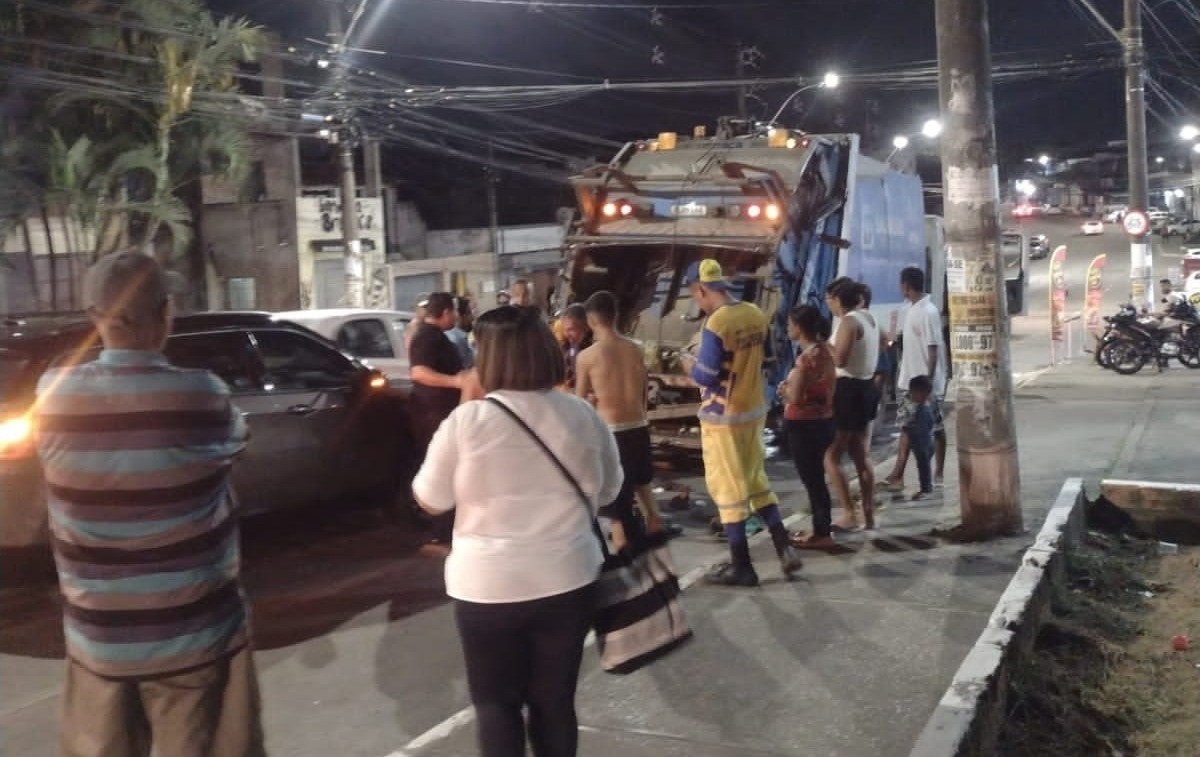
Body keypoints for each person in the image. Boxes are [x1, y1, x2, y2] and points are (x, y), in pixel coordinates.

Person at [34, 252, 264, 757]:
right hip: (196, 638)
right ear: (166, 313)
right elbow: (237, 444)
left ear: (95, 317)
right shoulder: (200, 394)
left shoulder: (51, 395)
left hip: (99, 642)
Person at [412, 304, 623, 757]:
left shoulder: (467, 421)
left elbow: (431, 498)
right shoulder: (583, 416)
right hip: (568, 578)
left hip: (487, 585)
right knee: (554, 703)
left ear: (489, 359)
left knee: (496, 706)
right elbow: (609, 491)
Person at [680, 259, 803, 586]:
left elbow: (706, 374)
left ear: (702, 289)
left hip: (723, 419)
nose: (698, 302)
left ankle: (742, 566)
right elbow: (766, 357)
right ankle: (784, 549)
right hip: (753, 411)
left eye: (696, 295)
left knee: (729, 490)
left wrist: (687, 363)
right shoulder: (754, 313)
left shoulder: (716, 324)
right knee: (756, 481)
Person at [575, 290, 666, 550]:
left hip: (611, 432)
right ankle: (654, 520)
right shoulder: (636, 349)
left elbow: (580, 401)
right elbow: (644, 391)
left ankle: (623, 551)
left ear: (591, 321)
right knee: (641, 482)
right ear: (615, 316)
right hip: (639, 425)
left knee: (614, 505)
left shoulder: (587, 357)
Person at [881, 266, 947, 492]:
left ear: (906, 285)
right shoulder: (909, 309)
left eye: (901, 284)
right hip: (907, 381)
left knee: (935, 428)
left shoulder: (928, 311)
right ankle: (897, 474)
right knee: (906, 427)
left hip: (925, 385)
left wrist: (927, 383)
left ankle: (937, 472)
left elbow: (933, 349)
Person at [408, 292, 468, 544]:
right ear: (445, 312)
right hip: (432, 415)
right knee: (444, 468)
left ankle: (446, 527)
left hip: (437, 413)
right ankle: (442, 529)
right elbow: (419, 372)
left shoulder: (434, 337)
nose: (456, 316)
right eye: (453, 311)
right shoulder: (427, 337)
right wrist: (455, 381)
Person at [778, 305, 838, 549]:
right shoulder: (825, 353)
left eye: (790, 324)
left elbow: (797, 398)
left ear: (800, 328)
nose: (788, 328)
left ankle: (822, 533)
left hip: (803, 425)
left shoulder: (806, 359)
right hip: (824, 421)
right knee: (817, 479)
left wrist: (784, 391)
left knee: (812, 480)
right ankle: (821, 529)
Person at [825, 279, 880, 531]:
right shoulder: (869, 318)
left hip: (848, 390)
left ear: (837, 299)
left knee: (831, 456)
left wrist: (822, 342)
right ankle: (867, 514)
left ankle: (849, 513)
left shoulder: (849, 321)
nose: (829, 305)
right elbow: (887, 341)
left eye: (830, 300)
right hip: (867, 387)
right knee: (861, 455)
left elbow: (840, 360)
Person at [904, 375, 936, 501]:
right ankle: (926, 486)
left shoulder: (921, 411)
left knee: (923, 467)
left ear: (921, 393)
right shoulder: (928, 408)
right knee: (924, 466)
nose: (911, 396)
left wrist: (909, 429)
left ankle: (926, 489)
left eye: (913, 393)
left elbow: (920, 428)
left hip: (922, 444)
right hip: (927, 442)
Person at [559, 303, 592, 390]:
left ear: (585, 327)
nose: (567, 334)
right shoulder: (566, 348)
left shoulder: (593, 350)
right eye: (565, 330)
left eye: (571, 329)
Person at [445, 296, 476, 369]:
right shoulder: (457, 340)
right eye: (468, 313)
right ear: (458, 316)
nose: (472, 318)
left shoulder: (461, 337)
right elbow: (467, 367)